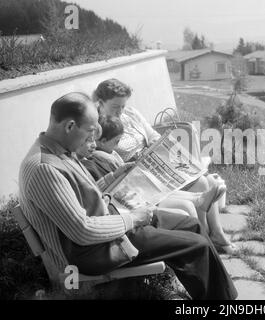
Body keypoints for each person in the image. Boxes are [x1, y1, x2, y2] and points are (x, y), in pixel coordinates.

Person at [18, 92, 237, 300]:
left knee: (191, 225)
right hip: (94, 250)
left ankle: (217, 294)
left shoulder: (58, 151)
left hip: (108, 228)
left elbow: (81, 195)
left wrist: (115, 176)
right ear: (70, 126)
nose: (93, 138)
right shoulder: (44, 168)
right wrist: (134, 218)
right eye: (90, 131)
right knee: (196, 246)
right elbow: (82, 231)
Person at [93, 79, 238, 254]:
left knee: (204, 182)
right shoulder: (99, 126)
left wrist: (155, 148)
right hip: (135, 173)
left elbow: (153, 135)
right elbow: (110, 158)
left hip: (153, 162)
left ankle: (215, 234)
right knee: (203, 186)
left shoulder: (130, 114)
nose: (121, 111)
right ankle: (208, 238)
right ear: (100, 103)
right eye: (116, 107)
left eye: (123, 106)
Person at [75, 115, 225, 219]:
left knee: (200, 186)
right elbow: (95, 193)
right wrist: (116, 175)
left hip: (130, 193)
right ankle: (199, 201)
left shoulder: (106, 154)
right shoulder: (92, 162)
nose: (93, 145)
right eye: (88, 141)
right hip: (124, 204)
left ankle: (199, 200)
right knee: (185, 204)